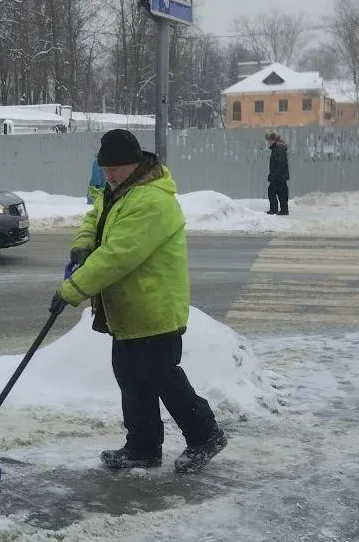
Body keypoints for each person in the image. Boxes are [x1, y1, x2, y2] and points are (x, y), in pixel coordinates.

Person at [50, 129, 227, 474]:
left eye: (117, 167)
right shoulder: (118, 191)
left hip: (154, 306)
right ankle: (143, 448)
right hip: (129, 310)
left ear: (136, 163)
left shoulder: (151, 200)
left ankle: (206, 436)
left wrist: (72, 290)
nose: (110, 174)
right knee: (131, 377)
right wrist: (82, 244)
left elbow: (117, 256)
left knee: (162, 377)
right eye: (106, 168)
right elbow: (95, 217)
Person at [266, 132, 290, 215]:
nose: (268, 143)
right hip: (280, 176)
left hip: (278, 176)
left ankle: (274, 209)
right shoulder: (278, 148)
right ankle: (284, 210)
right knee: (282, 193)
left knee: (272, 192)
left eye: (269, 140)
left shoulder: (278, 149)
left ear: (273, 140)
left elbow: (280, 164)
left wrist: (275, 175)